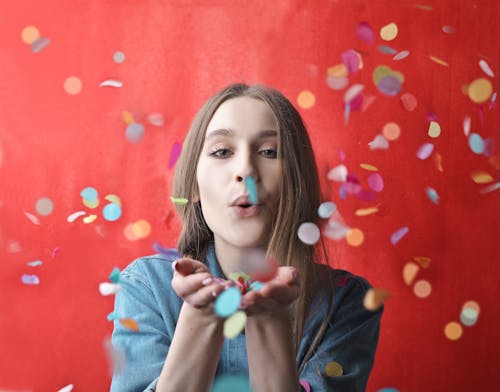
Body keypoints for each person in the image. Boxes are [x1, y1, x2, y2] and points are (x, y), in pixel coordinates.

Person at [110, 83, 383, 392]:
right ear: (193, 186)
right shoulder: (146, 286)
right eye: (222, 151)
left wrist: (270, 320)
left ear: (298, 181)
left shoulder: (346, 301)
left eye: (269, 151)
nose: (245, 170)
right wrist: (200, 318)